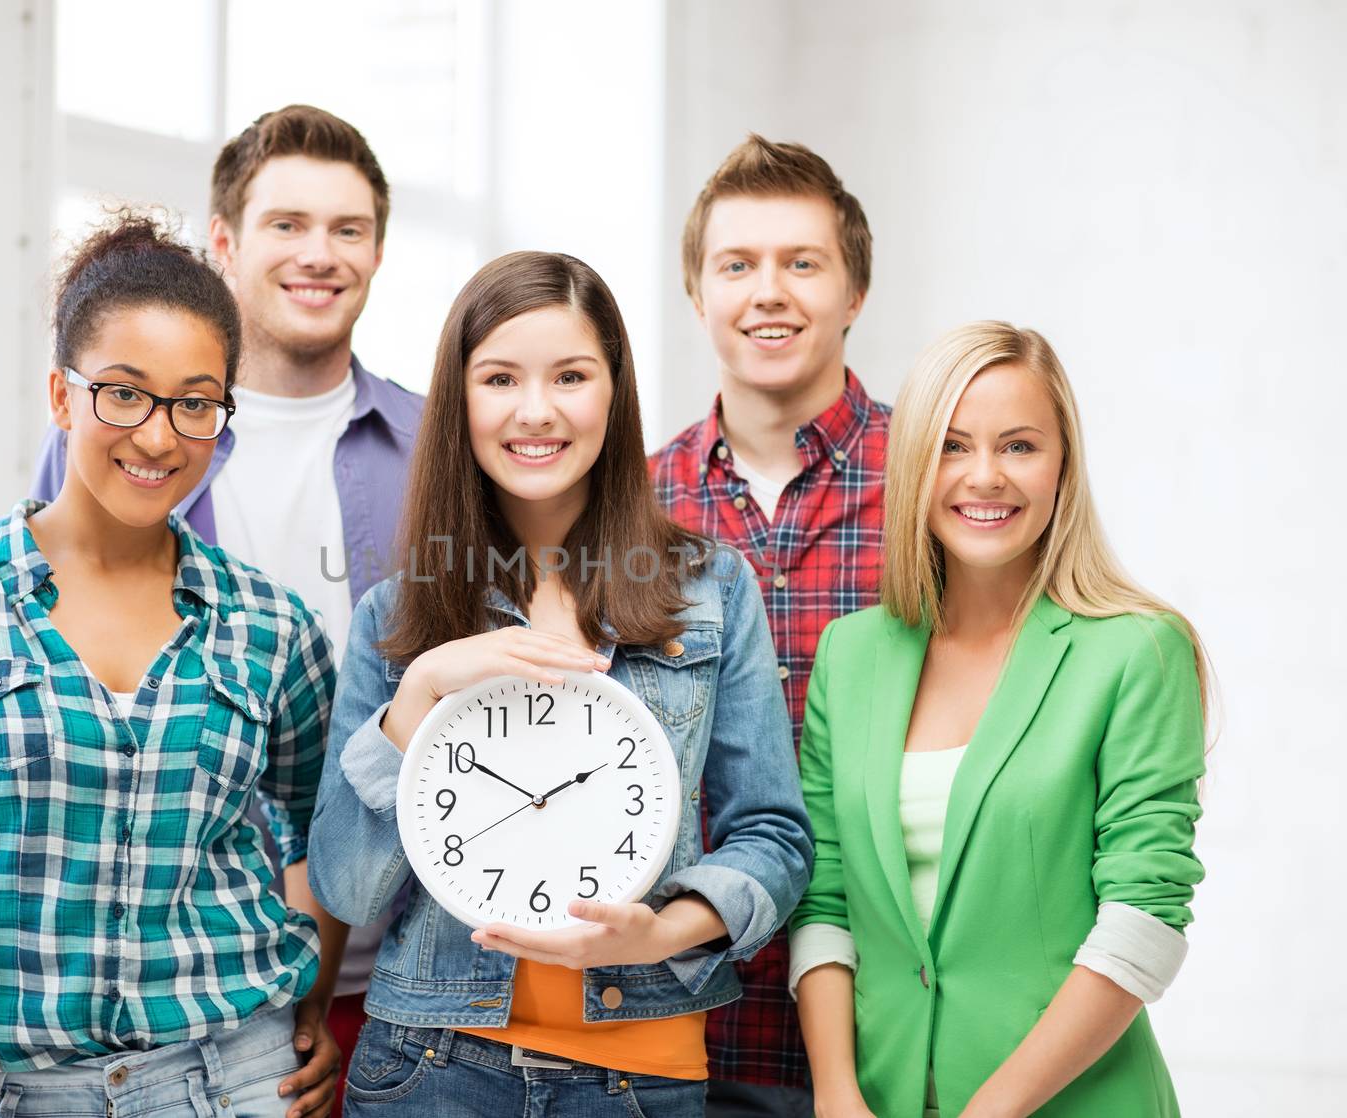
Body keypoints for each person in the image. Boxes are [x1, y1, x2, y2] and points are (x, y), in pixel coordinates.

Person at [0, 214, 346, 1118]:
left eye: (196, 402)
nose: (159, 437)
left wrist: (311, 997)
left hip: (239, 1080)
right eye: (124, 393)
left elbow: (321, 831)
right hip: (17, 1092)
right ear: (62, 395)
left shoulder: (271, 625)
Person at [306, 251, 814, 1116]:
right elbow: (347, 889)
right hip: (429, 1068)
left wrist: (664, 932)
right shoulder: (397, 618)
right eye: (500, 378)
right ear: (458, 398)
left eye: (570, 376)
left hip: (641, 1075)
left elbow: (773, 837)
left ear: (613, 393)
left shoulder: (710, 590)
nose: (535, 411)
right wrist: (421, 689)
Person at [30, 105, 424, 1107]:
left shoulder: (435, 448)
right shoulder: (125, 442)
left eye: (348, 228)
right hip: (181, 976)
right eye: (286, 223)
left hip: (405, 970)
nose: (318, 254)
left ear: (377, 250)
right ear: (223, 242)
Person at [792, 322, 1210, 1117]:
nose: (985, 477)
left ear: (1064, 466)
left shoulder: (1136, 651)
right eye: (952, 446)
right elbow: (825, 903)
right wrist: (838, 1093)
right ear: (914, 464)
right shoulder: (849, 656)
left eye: (1019, 446)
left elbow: (1143, 920)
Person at [649, 134, 888, 1116]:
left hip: (890, 1015)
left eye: (802, 262)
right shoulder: (631, 506)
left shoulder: (938, 490)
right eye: (736, 265)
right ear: (698, 295)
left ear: (853, 291)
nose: (768, 292)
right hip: (680, 1020)